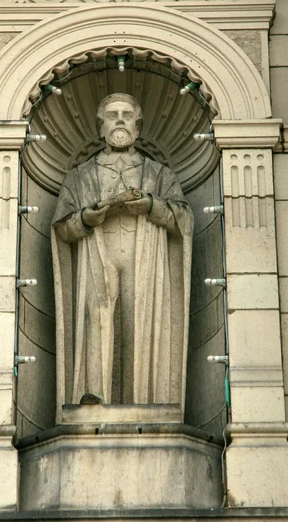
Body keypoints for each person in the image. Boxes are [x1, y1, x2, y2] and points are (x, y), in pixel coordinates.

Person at [51, 94, 193, 415]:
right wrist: (87, 218)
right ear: (100, 127)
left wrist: (151, 205)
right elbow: (61, 228)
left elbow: (183, 218)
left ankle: (142, 401)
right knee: (96, 319)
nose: (119, 121)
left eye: (127, 115)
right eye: (112, 115)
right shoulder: (80, 176)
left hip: (144, 255)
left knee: (138, 320)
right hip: (97, 253)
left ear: (138, 127)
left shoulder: (158, 174)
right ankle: (93, 399)